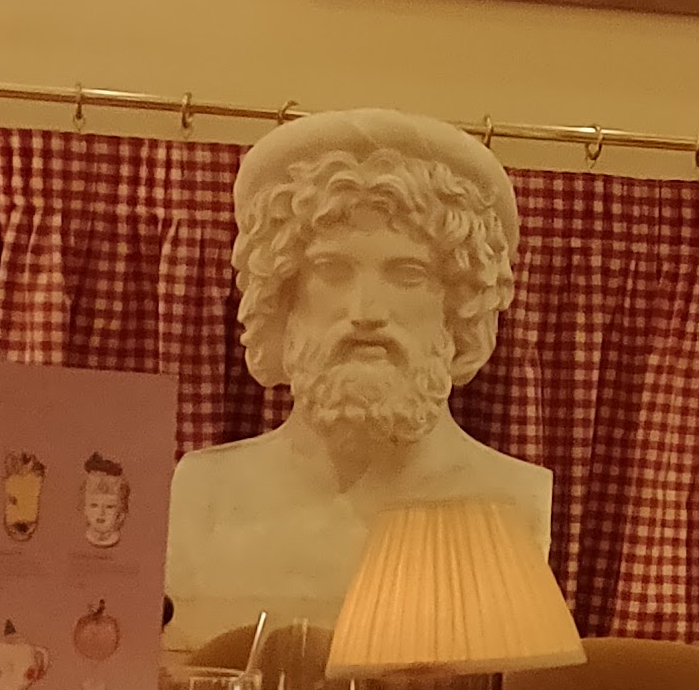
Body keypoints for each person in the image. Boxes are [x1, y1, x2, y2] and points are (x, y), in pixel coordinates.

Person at [164, 107, 554, 641]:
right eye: (331, 270)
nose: (366, 311)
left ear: (460, 303)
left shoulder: (512, 503)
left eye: (408, 274)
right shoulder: (203, 494)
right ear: (282, 294)